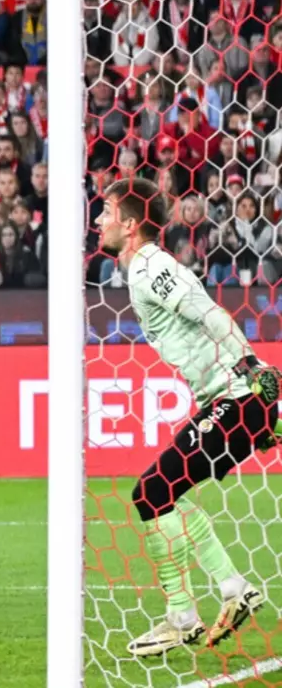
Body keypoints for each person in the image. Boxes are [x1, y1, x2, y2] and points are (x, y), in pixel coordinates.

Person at [94, 178, 270, 656]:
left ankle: (184, 616)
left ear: (131, 224)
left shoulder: (151, 266)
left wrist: (252, 366)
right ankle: (231, 591)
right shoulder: (141, 269)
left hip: (238, 394)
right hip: (234, 398)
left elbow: (208, 313)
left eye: (107, 211)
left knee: (152, 492)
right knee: (163, 493)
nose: (99, 221)